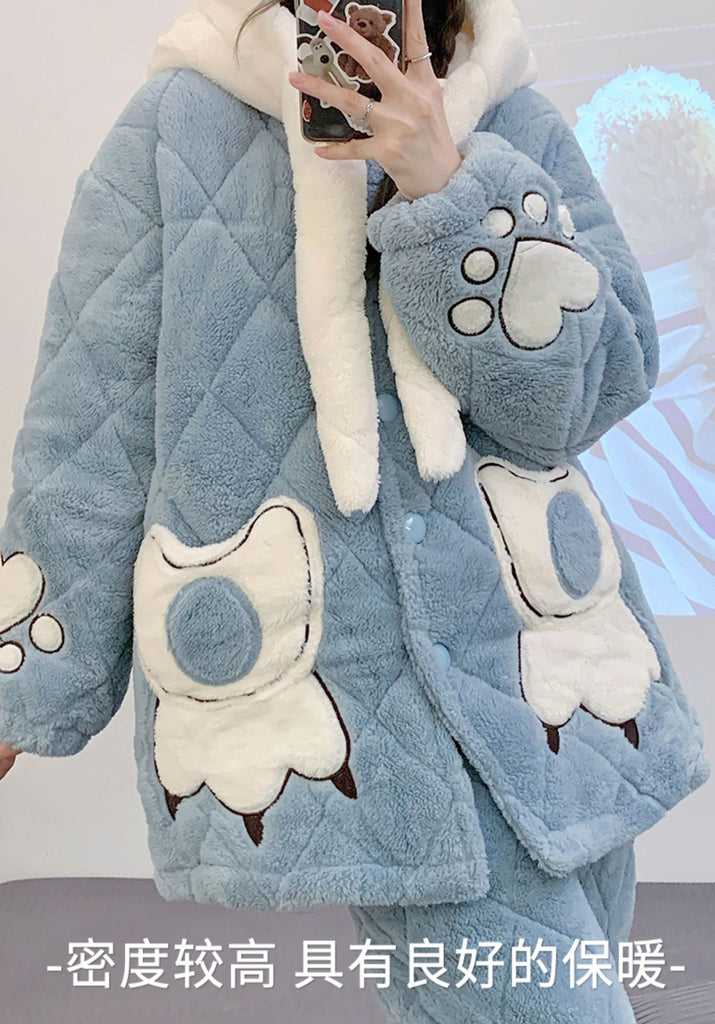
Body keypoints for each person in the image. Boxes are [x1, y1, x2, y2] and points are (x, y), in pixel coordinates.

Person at [0, 0, 709, 1020]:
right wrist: (22, 683)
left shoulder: (508, 116)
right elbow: (89, 425)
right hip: (358, 694)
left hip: (545, 677)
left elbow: (587, 395)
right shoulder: (178, 124)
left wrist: (446, 185)